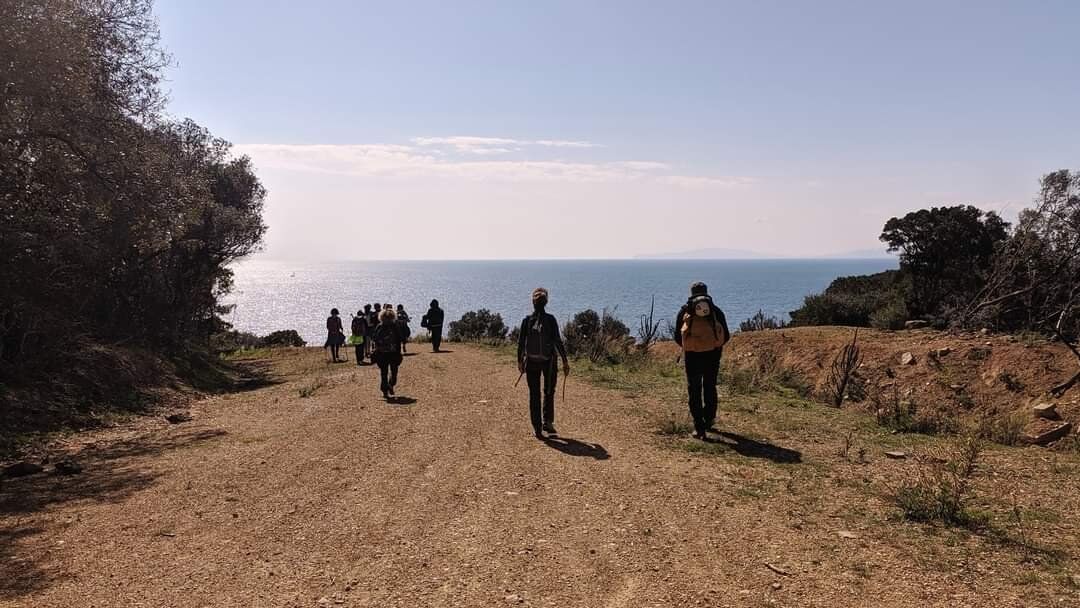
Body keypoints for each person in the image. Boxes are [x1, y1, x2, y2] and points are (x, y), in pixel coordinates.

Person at [673, 282, 730, 440]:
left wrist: (692, 347)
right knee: (710, 386)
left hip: (692, 356)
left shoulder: (685, 311)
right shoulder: (715, 311)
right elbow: (726, 335)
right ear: (706, 292)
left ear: (691, 293)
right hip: (712, 356)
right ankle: (709, 419)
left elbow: (678, 336)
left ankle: (699, 428)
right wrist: (714, 347)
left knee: (694, 390)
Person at [516, 288, 570, 439]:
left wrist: (520, 361)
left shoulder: (527, 321)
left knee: (534, 395)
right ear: (547, 302)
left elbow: (521, 342)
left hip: (531, 362)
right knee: (548, 392)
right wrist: (565, 361)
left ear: (532, 303)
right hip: (549, 361)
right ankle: (548, 422)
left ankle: (537, 428)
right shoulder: (551, 320)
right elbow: (558, 341)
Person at [371, 307, 405, 399]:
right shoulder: (395, 326)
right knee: (394, 372)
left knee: (383, 373)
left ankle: (385, 390)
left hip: (382, 354)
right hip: (394, 353)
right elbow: (400, 338)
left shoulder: (379, 326)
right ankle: (391, 384)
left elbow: (374, 338)